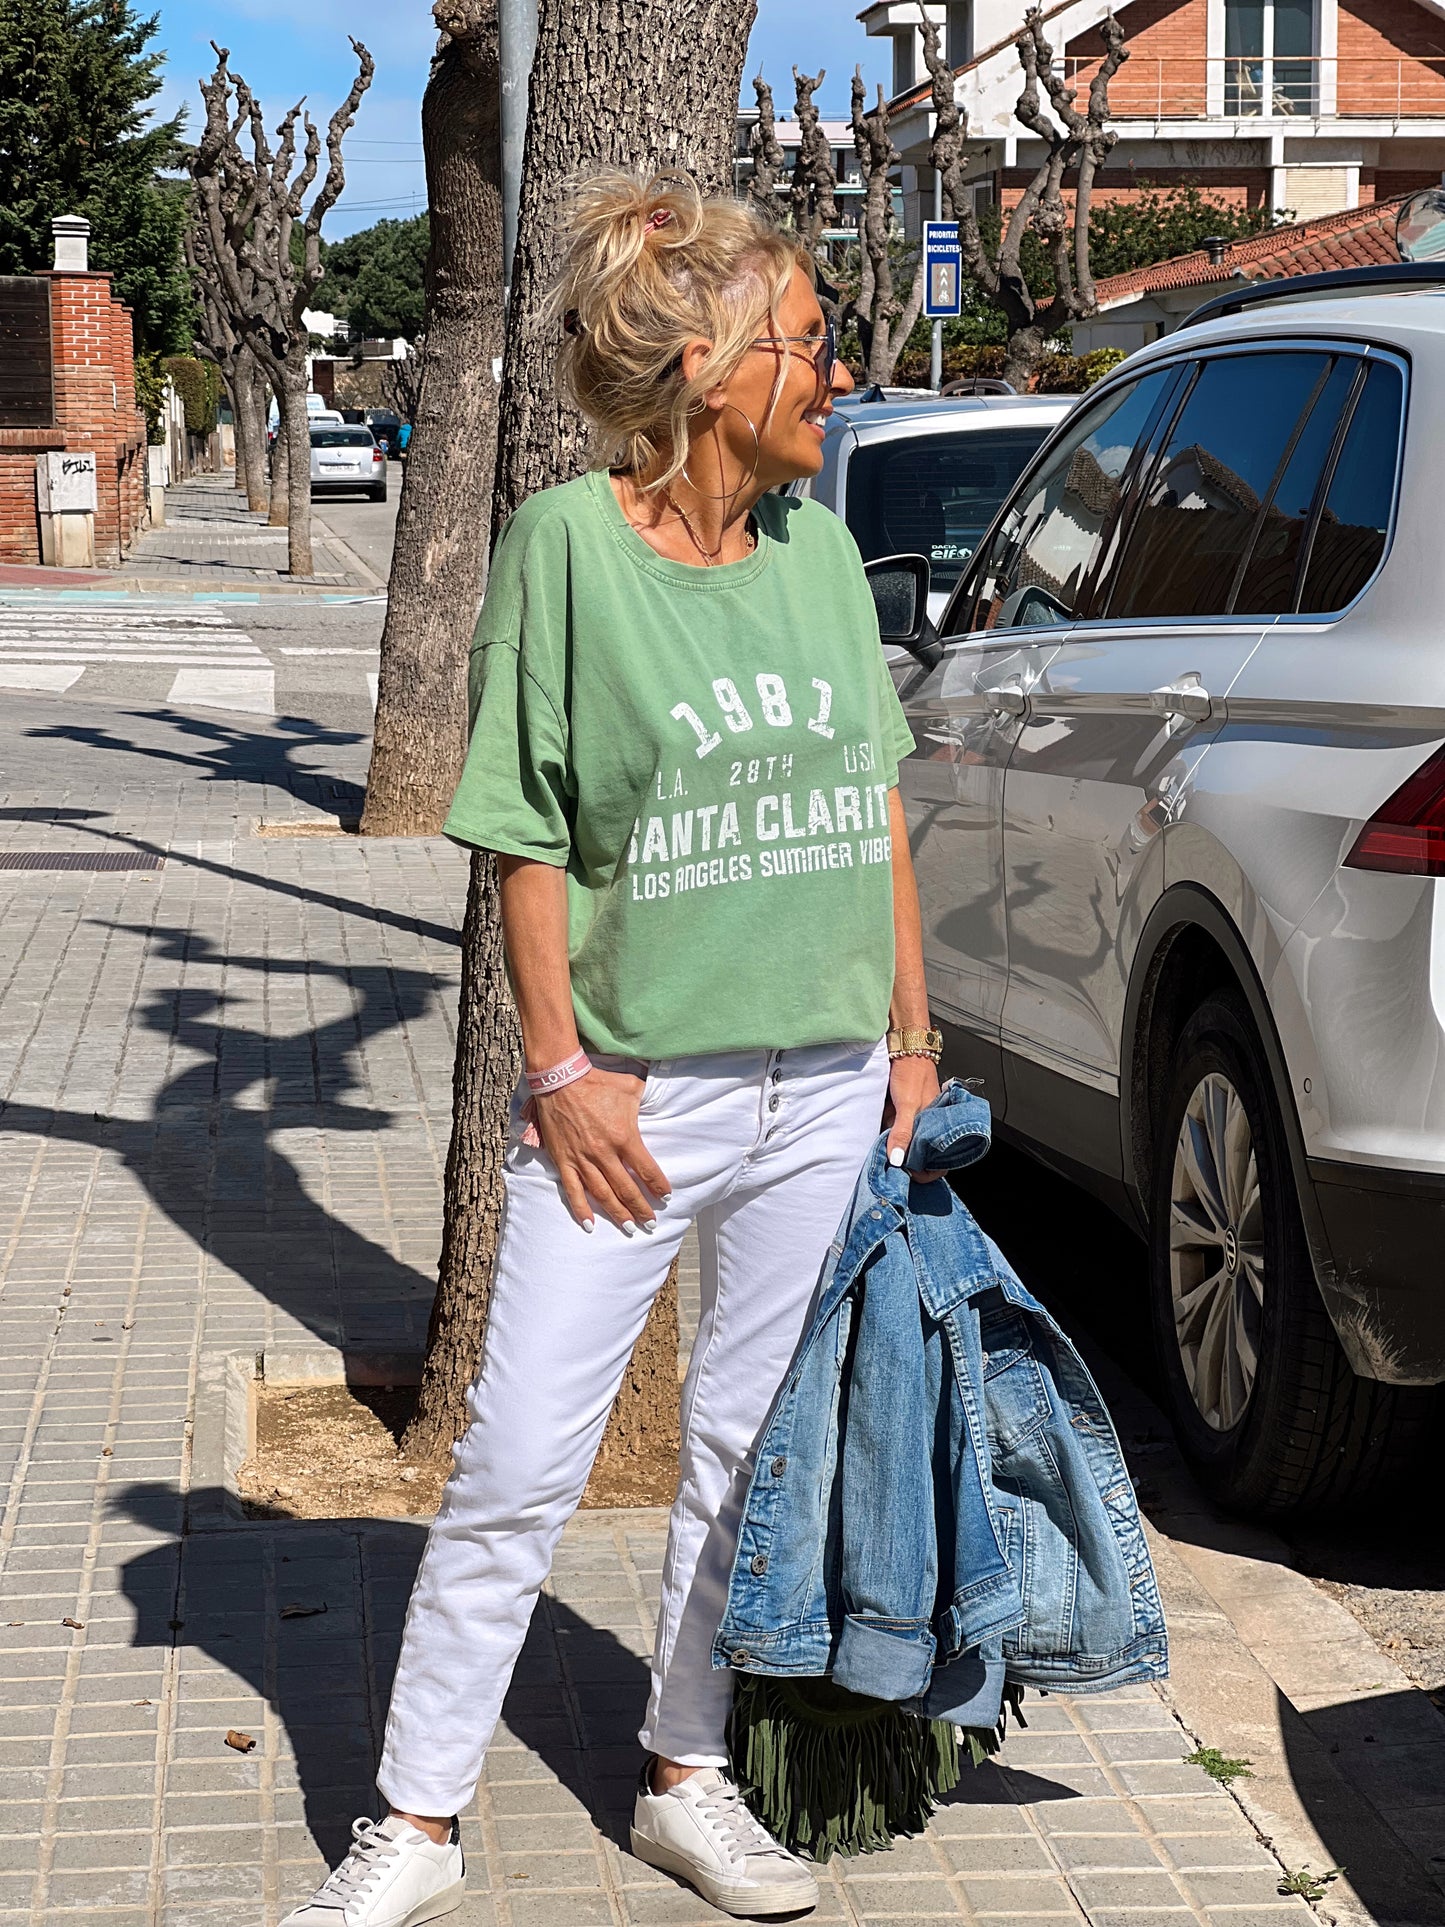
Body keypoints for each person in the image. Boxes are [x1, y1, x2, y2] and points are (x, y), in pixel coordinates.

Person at [281, 169, 942, 1927]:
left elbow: (871, 805)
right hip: (637, 1096)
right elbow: (523, 837)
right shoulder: (564, 550)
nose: (832, 376)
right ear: (713, 370)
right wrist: (563, 1074)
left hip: (821, 1089)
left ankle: (686, 1776)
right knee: (515, 1466)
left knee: (742, 1453)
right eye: (805, 346)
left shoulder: (820, 552)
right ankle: (415, 1827)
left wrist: (909, 1041)